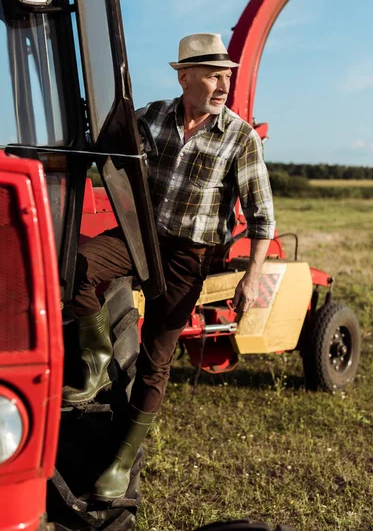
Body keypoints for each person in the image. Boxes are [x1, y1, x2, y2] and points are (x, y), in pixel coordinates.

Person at [62, 33, 276, 501]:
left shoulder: (238, 137)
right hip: (141, 237)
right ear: (184, 77)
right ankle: (98, 357)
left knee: (157, 360)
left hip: (188, 257)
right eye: (213, 74)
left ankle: (119, 463)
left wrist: (253, 272)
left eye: (227, 75)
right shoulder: (154, 116)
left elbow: (263, 217)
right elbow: (105, 141)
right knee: (72, 265)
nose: (223, 84)